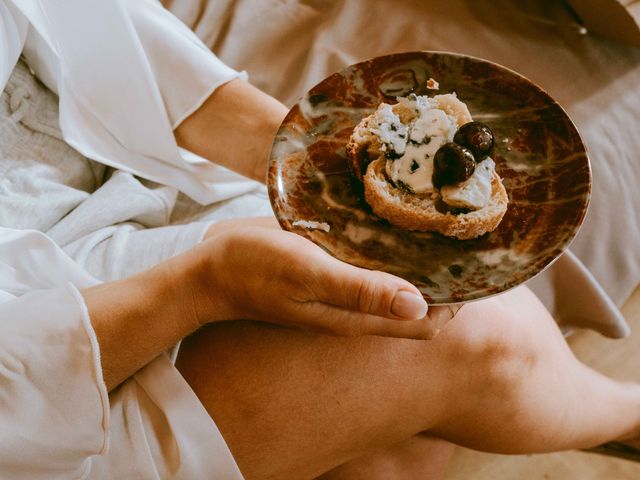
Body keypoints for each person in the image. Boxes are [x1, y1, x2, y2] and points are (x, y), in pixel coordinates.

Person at [0, 1, 638, 479]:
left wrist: (290, 151)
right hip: (45, 363)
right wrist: (202, 284)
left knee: (399, 445)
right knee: (478, 338)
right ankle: (628, 417)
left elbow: (89, 28)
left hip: (124, 168)